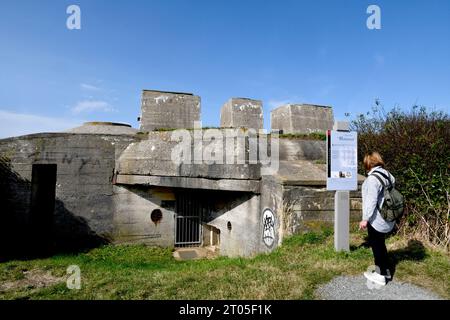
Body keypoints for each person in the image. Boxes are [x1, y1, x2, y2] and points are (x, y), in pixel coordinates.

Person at [359, 151, 395, 286]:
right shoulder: (388, 175)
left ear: (368, 164)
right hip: (388, 215)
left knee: (376, 245)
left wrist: (365, 219)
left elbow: (371, 201)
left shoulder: (372, 179)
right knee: (381, 244)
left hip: (377, 219)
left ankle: (380, 275)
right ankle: (386, 271)